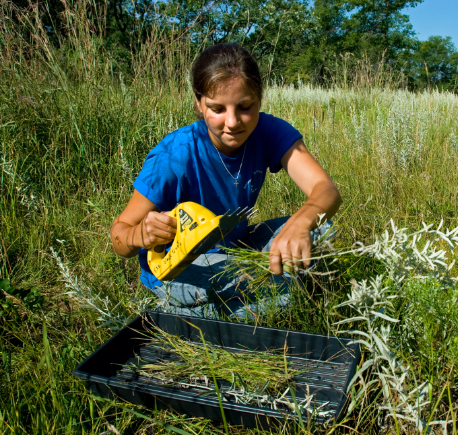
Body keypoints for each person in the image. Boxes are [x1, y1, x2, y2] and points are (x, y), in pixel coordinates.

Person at [110, 43, 341, 318]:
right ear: (198, 103)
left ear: (260, 99)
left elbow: (325, 190)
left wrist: (301, 223)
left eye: (245, 106)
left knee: (321, 230)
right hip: (182, 266)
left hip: (236, 245)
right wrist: (141, 234)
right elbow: (119, 237)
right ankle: (200, 312)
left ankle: (223, 306)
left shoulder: (268, 131)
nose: (232, 122)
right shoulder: (175, 154)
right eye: (217, 109)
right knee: (276, 287)